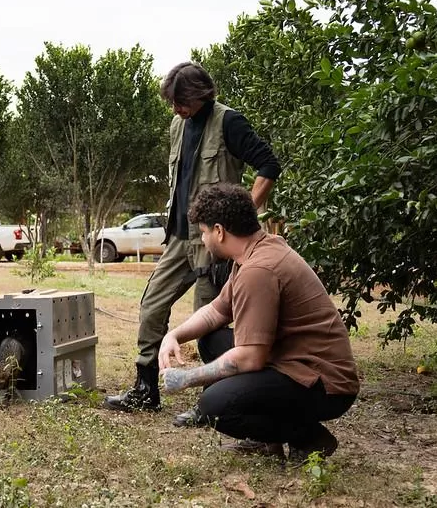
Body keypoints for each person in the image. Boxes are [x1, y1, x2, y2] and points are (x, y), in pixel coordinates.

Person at [104, 62, 282, 412]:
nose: (176, 109)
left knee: (208, 323)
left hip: (213, 245)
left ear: (200, 94)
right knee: (152, 305)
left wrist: (241, 215)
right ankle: (145, 389)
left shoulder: (228, 122)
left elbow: (269, 165)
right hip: (179, 237)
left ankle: (213, 403)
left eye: (181, 102)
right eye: (172, 102)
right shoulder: (178, 125)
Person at [158, 184, 359, 461]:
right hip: (292, 361)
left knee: (214, 406)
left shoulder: (258, 270)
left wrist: (186, 378)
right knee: (212, 340)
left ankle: (310, 438)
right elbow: (217, 311)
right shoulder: (254, 252)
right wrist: (175, 336)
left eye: (203, 232)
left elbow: (250, 358)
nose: (203, 240)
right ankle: (266, 441)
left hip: (325, 384)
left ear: (219, 231)